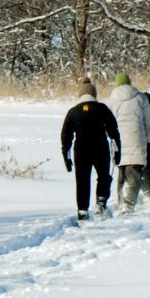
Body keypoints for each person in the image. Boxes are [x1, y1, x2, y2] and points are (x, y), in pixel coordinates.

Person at [60, 78, 120, 221]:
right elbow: (113, 131)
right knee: (104, 176)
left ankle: (82, 211)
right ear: (94, 94)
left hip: (81, 150)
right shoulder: (102, 108)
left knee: (82, 180)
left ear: (80, 95)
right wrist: (118, 151)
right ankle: (101, 202)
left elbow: (65, 136)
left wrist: (66, 157)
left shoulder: (73, 112)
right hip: (100, 147)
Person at [108, 73, 150, 211]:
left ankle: (120, 199)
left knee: (121, 170)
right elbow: (149, 121)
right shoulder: (141, 98)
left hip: (118, 140)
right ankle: (129, 201)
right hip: (136, 138)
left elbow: (108, 122)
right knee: (134, 172)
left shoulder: (111, 100)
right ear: (129, 82)